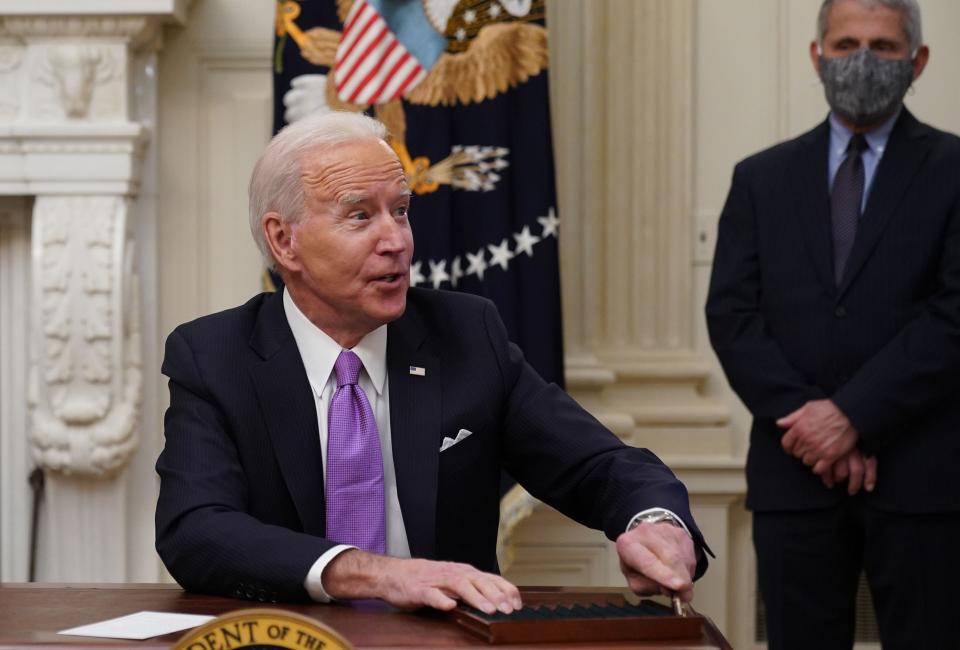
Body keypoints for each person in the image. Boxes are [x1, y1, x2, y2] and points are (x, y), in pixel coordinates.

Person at [156, 110, 710, 613]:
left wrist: (654, 522)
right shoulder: (214, 356)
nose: (395, 240)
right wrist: (376, 574)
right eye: (359, 216)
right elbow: (196, 529)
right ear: (285, 241)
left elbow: (597, 467)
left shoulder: (466, 335)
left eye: (400, 211)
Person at [706, 1, 960, 648]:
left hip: (924, 483)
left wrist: (853, 416)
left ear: (919, 61)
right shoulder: (761, 178)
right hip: (796, 478)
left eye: (884, 45)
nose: (864, 60)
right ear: (817, 56)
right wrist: (813, 423)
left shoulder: (953, 171)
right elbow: (732, 316)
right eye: (846, 43)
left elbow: (953, 315)